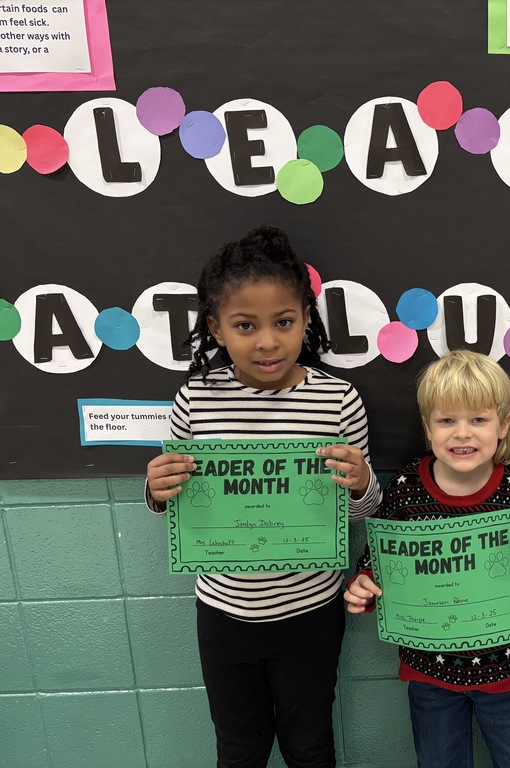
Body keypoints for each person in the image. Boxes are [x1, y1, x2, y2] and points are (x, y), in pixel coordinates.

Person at [144, 225, 382, 768]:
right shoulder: (196, 397)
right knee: (238, 747)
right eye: (245, 325)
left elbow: (362, 509)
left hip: (311, 609)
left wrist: (363, 484)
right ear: (217, 329)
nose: (268, 341)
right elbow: (176, 502)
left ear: (306, 319)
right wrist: (157, 492)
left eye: (284, 322)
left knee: (310, 744)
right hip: (223, 612)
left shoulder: (337, 400)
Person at [343, 349, 510, 768]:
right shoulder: (405, 488)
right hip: (430, 671)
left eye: (478, 420)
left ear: (504, 424)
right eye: (446, 420)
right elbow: (380, 560)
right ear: (428, 426)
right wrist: (364, 585)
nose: (462, 434)